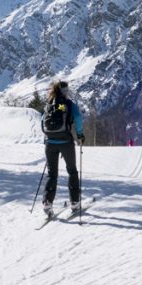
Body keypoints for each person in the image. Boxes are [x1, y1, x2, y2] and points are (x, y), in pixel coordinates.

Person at [42, 80, 84, 215]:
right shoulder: (69, 104)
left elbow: (42, 121)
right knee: (72, 171)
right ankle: (75, 202)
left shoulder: (49, 104)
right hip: (66, 142)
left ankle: (47, 203)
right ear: (65, 91)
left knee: (51, 174)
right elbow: (77, 118)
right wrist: (79, 134)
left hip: (50, 143)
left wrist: (48, 138)